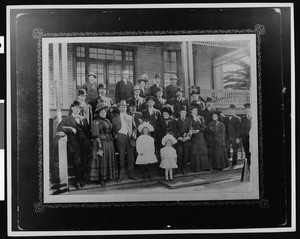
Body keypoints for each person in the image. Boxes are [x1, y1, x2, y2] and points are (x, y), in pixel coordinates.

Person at [57, 100, 91, 189]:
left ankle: (82, 179)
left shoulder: (83, 118)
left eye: (79, 108)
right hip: (74, 145)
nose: (77, 110)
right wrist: (70, 128)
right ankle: (77, 181)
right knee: (77, 163)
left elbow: (87, 132)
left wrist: (88, 142)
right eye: (76, 108)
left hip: (84, 144)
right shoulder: (66, 119)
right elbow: (59, 127)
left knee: (84, 162)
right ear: (72, 108)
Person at [90, 103, 118, 186]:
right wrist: (99, 145)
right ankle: (101, 178)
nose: (103, 113)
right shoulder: (95, 122)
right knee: (102, 160)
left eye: (104, 112)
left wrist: (115, 135)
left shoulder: (108, 120)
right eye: (101, 112)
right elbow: (95, 134)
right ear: (98, 113)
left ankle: (107, 176)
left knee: (108, 158)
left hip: (109, 142)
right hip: (101, 142)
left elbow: (111, 130)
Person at [112, 100, 137, 181]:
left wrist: (134, 134)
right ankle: (121, 175)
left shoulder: (131, 117)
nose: (123, 108)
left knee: (131, 157)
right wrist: (116, 136)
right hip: (120, 137)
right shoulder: (115, 119)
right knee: (121, 156)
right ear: (119, 108)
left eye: (124, 107)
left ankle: (131, 174)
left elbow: (135, 128)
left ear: (126, 108)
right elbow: (112, 130)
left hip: (129, 138)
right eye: (121, 107)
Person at [189, 106, 212, 172]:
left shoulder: (201, 118)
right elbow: (188, 126)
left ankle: (205, 167)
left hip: (200, 136)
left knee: (202, 151)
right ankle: (196, 168)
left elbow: (204, 127)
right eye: (193, 110)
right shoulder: (189, 118)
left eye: (196, 110)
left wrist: (199, 130)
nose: (194, 112)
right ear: (191, 111)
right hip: (193, 137)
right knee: (195, 151)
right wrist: (192, 131)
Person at [175, 106, 192, 175]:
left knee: (186, 154)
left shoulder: (188, 121)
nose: (183, 114)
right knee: (179, 153)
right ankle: (179, 168)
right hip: (179, 141)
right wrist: (179, 137)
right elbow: (175, 130)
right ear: (179, 113)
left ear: (186, 113)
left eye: (184, 113)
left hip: (186, 140)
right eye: (181, 112)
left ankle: (184, 168)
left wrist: (187, 137)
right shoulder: (176, 121)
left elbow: (190, 130)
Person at [223, 104, 242, 169]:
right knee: (227, 150)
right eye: (230, 109)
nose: (231, 111)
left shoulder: (237, 118)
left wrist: (238, 138)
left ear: (234, 111)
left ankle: (234, 164)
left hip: (235, 138)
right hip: (227, 138)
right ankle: (227, 162)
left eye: (232, 110)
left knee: (235, 151)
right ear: (228, 110)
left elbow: (239, 129)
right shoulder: (225, 118)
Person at [241, 103, 252, 176]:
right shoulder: (243, 119)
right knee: (247, 154)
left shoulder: (255, 117)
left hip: (252, 139)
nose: (247, 110)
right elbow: (242, 130)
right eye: (246, 109)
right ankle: (248, 168)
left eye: (249, 109)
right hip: (245, 140)